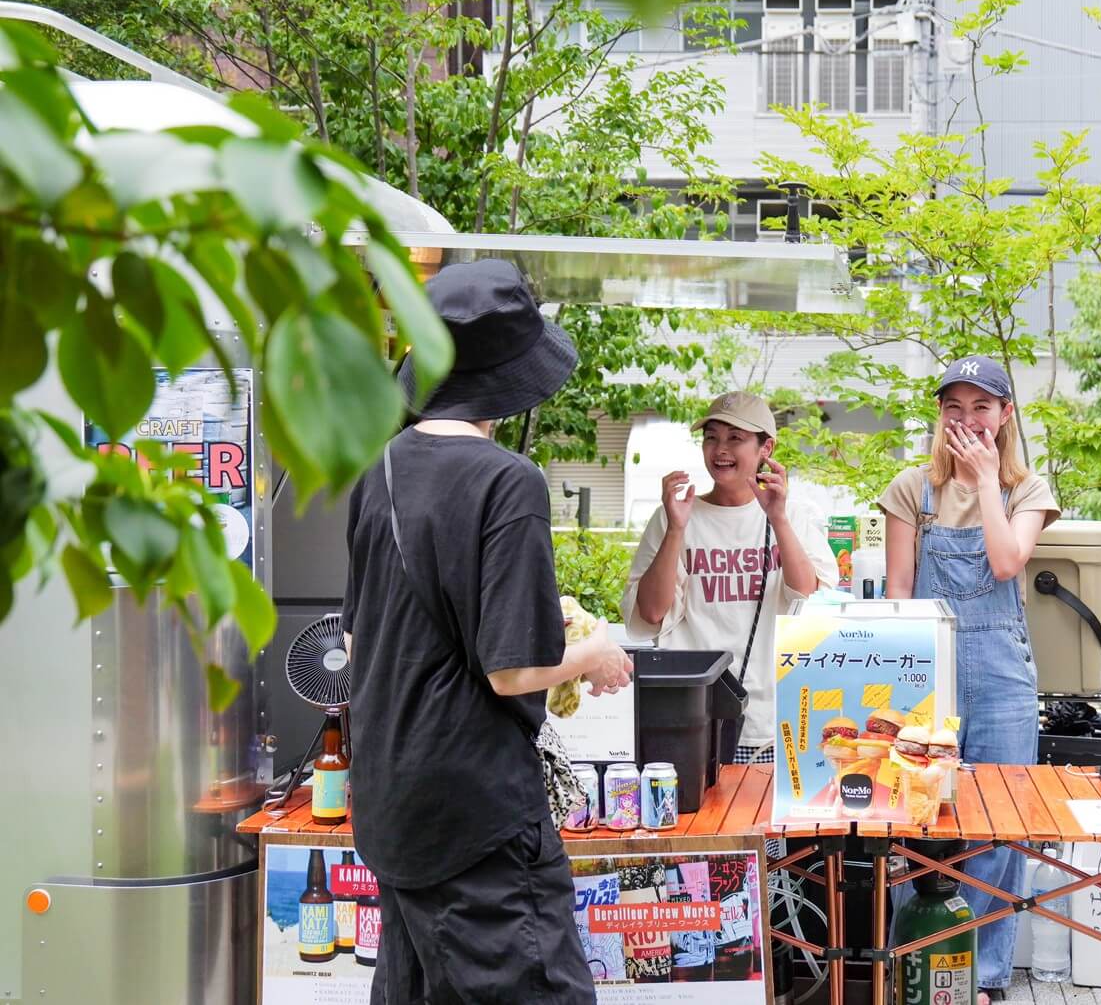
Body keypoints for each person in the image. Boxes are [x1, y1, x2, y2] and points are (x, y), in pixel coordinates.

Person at [341, 259, 632, 1005]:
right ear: (507, 378)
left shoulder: (379, 473)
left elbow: (370, 636)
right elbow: (512, 671)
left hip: (392, 805)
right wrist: (594, 652)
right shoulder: (507, 480)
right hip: (476, 815)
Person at [881, 355, 1059, 1003]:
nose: (967, 419)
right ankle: (916, 965)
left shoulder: (1026, 490)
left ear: (1005, 414)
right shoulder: (912, 489)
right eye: (954, 406)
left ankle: (979, 976)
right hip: (923, 669)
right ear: (939, 413)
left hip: (1002, 674)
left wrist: (987, 479)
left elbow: (1008, 562)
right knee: (912, 820)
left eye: (981, 407)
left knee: (998, 822)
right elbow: (899, 593)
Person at [621, 391, 838, 764]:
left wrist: (778, 518)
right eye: (711, 437)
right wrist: (676, 528)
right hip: (691, 718)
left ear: (765, 448)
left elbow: (805, 595)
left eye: (735, 438)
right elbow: (652, 612)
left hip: (771, 722)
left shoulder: (793, 515)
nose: (720, 449)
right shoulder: (674, 515)